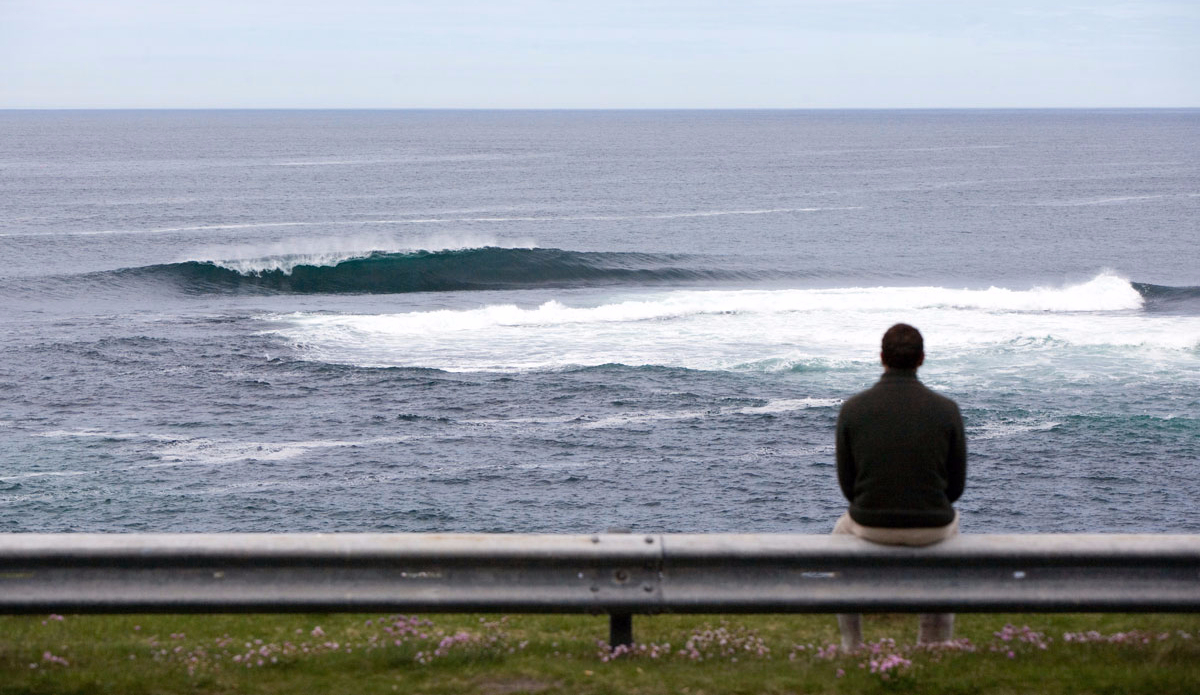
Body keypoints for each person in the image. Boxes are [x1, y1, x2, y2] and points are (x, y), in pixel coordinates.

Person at [833, 323, 966, 650]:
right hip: (932, 528)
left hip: (870, 524)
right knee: (952, 540)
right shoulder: (947, 409)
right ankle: (934, 645)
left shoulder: (853, 408)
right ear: (921, 359)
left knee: (837, 542)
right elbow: (956, 488)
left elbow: (848, 488)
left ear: (882, 357)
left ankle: (852, 645)